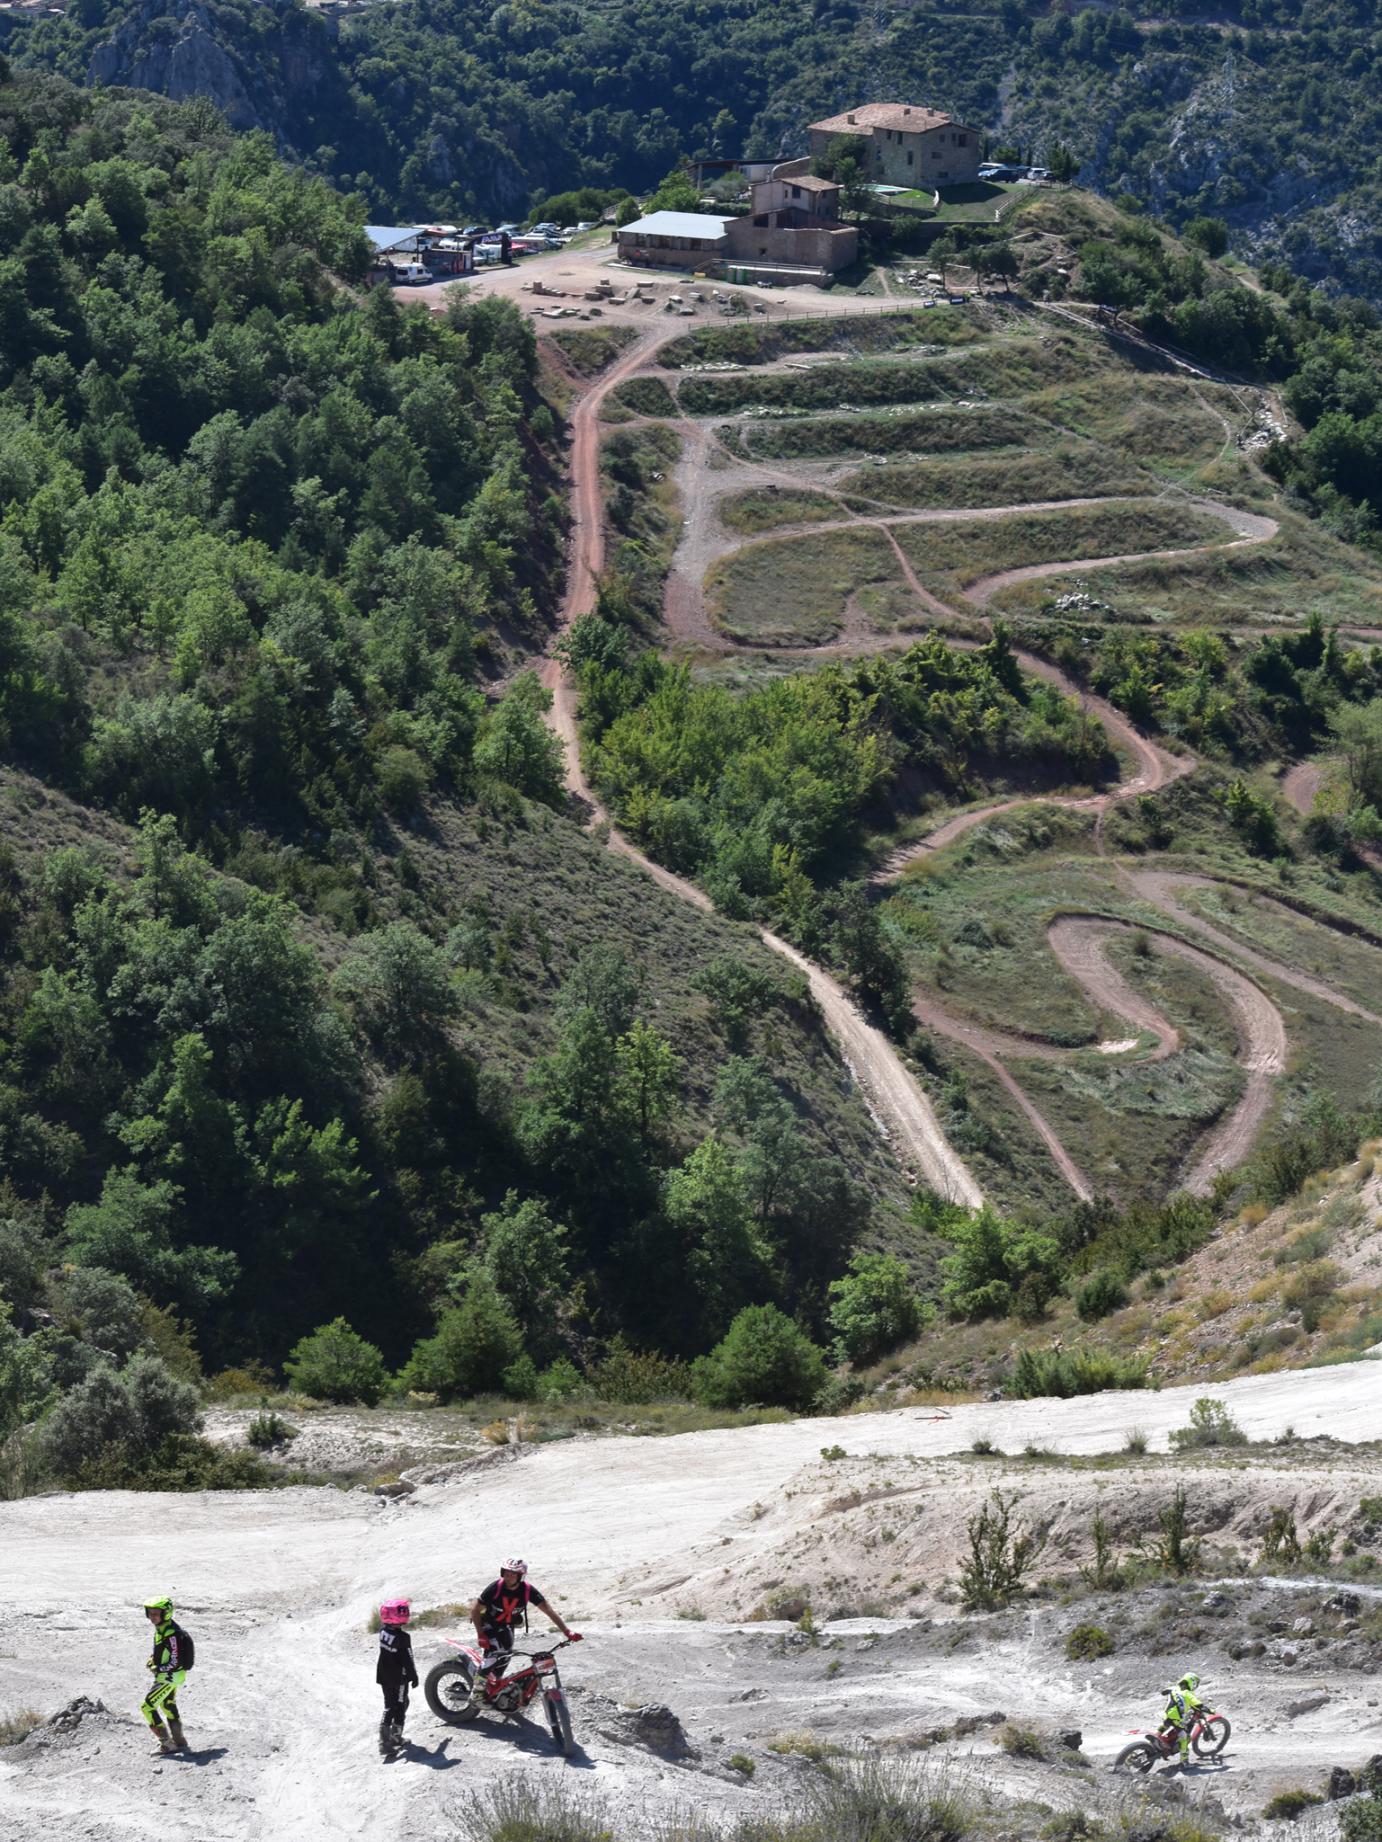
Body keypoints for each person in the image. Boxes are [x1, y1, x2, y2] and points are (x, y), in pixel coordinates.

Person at [469, 1558, 579, 1701]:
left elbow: (548, 1610)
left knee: (506, 1656)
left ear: (521, 1576)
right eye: (506, 1573)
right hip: (488, 1624)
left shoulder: (527, 1591)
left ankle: (492, 1686)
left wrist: (566, 1631)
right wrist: (480, 1634)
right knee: (492, 1656)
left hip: (507, 1625)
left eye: (513, 1574)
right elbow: (474, 1609)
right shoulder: (495, 1588)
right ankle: (476, 1694)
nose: (509, 1577)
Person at [140, 1595, 190, 1755]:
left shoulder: (171, 1633)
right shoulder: (163, 1628)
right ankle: (179, 1741)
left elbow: (175, 1660)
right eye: (149, 1613)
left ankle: (167, 1744)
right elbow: (164, 1651)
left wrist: (157, 1667)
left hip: (169, 1676)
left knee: (147, 1707)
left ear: (166, 1613)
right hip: (171, 1675)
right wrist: (153, 1659)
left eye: (155, 1614)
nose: (152, 1617)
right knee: (167, 1704)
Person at [376, 1599, 419, 1757]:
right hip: (398, 1677)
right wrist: (413, 1676)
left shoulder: (383, 1632)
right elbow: (408, 1658)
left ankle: (384, 1741)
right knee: (399, 1706)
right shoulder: (403, 1637)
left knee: (389, 1705)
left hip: (383, 1674)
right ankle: (394, 1739)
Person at [1158, 1672, 1204, 1764]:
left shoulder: (1174, 1688)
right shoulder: (1187, 1693)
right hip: (1176, 1720)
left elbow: (1163, 1692)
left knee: (1165, 1725)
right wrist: (1208, 1709)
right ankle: (1184, 1762)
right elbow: (1199, 1705)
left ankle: (1157, 1736)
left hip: (1166, 1715)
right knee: (1185, 1738)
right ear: (1192, 1683)